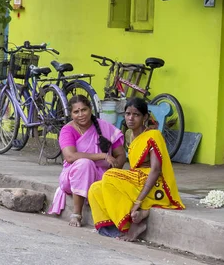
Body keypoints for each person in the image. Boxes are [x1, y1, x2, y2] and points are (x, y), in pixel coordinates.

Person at [88, 97, 185, 241]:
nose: (131, 118)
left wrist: (139, 201)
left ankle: (135, 223)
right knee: (95, 188)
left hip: (154, 184)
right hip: (136, 179)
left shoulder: (153, 135)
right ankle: (114, 228)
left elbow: (156, 170)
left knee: (110, 176)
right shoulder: (129, 135)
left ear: (145, 117)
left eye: (136, 114)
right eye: (128, 114)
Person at [48, 95, 126, 227]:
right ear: (71, 114)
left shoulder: (104, 127)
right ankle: (77, 214)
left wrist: (114, 169)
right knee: (85, 163)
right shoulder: (67, 130)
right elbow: (70, 157)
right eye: (76, 112)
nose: (81, 114)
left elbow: (121, 154)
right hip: (72, 178)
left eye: (84, 110)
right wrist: (102, 156)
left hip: (101, 177)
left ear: (90, 109)